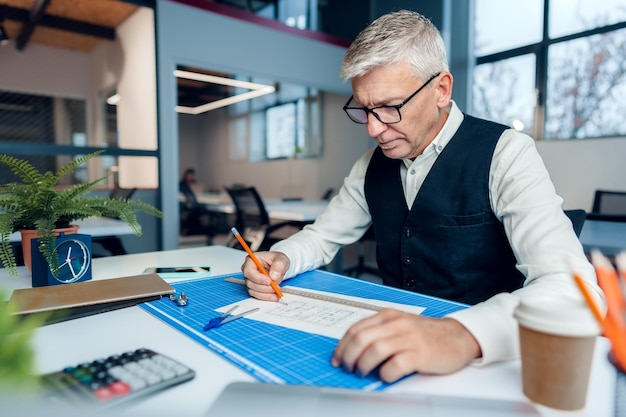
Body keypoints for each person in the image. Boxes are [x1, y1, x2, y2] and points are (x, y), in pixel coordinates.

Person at [240, 10, 605, 382]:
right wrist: (284, 256)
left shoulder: (506, 153)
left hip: (484, 363)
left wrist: (461, 334)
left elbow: (573, 290)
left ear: (441, 90)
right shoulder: (370, 165)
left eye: (390, 107)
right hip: (389, 344)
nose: (374, 128)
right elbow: (321, 237)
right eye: (365, 110)